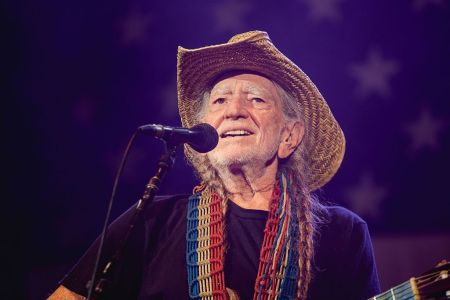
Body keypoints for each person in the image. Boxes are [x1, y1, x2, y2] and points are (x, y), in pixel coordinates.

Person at [49, 31, 380, 300]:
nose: (233, 110)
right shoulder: (151, 220)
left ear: (289, 137)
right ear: (203, 131)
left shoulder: (342, 234)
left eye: (256, 99)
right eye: (219, 100)